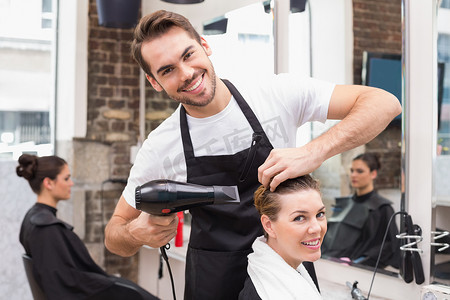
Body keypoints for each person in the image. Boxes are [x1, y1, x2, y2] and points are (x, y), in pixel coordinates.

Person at [104, 10, 402, 300]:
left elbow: (384, 103)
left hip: (283, 280)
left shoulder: (274, 94)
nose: (186, 73)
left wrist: (314, 151)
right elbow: (114, 235)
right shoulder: (161, 146)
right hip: (213, 281)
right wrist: (136, 234)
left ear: (205, 46)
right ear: (155, 83)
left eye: (188, 55)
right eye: (167, 70)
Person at [17, 154, 158, 300]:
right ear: (48, 183)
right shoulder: (46, 229)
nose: (71, 183)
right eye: (66, 178)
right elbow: (65, 286)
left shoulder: (32, 219)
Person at [239, 175, 326, 300]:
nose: (316, 228)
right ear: (269, 226)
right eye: (299, 218)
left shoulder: (298, 268)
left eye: (320, 214)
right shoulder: (261, 294)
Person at [321, 153, 400, 269]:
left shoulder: (382, 208)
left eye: (359, 171)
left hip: (356, 271)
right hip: (328, 263)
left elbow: (388, 247)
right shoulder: (343, 204)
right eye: (352, 170)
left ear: (373, 174)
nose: (353, 175)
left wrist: (357, 262)